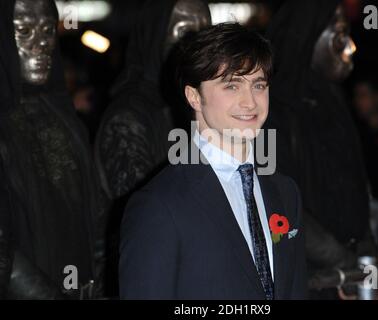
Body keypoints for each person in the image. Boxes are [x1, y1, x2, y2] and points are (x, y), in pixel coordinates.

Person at [119, 23, 307, 300]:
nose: (250, 102)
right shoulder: (159, 204)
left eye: (258, 85)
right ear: (194, 96)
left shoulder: (286, 192)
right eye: (232, 85)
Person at [93, 0, 211, 296]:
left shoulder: (196, 112)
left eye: (204, 32)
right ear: (156, 34)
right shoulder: (129, 117)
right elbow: (155, 221)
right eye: (185, 33)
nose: (198, 45)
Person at [266, 0, 376, 298]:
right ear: (309, 38)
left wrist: (366, 261)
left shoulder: (333, 101)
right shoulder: (274, 109)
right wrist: (342, 263)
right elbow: (277, 202)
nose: (351, 47)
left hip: (349, 272)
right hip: (308, 278)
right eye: (340, 36)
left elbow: (356, 190)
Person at [0, 0, 104, 299]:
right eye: (23, 30)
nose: (41, 44)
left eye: (48, 31)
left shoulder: (61, 113)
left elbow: (91, 206)